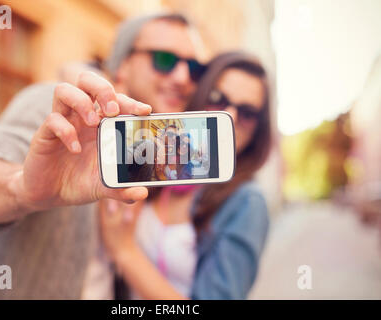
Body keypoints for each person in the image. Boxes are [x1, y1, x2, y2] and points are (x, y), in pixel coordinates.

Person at [0, 12, 204, 299]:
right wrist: (21, 189)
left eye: (194, 67)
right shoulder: (60, 111)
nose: (183, 77)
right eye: (164, 60)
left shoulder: (147, 151)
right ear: (123, 64)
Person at [99, 51, 272, 299]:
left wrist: (125, 252)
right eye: (217, 98)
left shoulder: (247, 202)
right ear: (200, 95)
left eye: (247, 113)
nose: (230, 117)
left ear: (259, 128)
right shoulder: (161, 161)